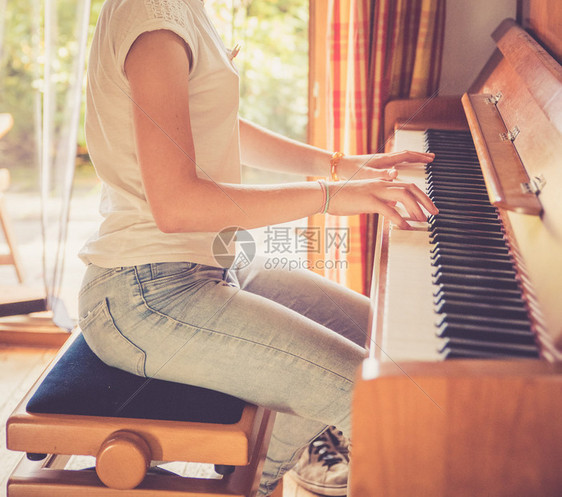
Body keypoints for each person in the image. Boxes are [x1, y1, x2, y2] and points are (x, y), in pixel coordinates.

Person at [78, 0, 437, 495]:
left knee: (392, 344)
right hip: (145, 295)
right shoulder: (152, 21)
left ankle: (253, 478)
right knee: (384, 404)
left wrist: (340, 164)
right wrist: (330, 197)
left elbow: (215, 126)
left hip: (211, 268)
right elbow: (177, 206)